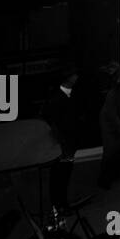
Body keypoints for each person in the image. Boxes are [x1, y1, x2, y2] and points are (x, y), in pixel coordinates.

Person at [44, 71, 80, 207]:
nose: (76, 76)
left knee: (64, 173)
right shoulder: (57, 98)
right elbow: (55, 122)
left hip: (68, 143)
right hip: (62, 144)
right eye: (74, 74)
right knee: (60, 174)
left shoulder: (69, 94)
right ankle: (59, 203)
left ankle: (61, 201)